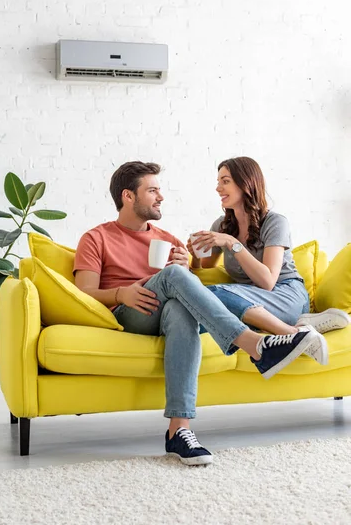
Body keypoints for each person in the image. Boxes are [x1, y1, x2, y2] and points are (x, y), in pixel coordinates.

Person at [74, 161, 326, 467]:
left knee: (181, 307)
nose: (161, 197)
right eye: (152, 190)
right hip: (130, 313)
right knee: (175, 280)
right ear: (128, 197)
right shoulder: (96, 237)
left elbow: (194, 277)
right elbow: (84, 292)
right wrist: (120, 293)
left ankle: (178, 431)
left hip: (166, 315)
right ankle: (256, 346)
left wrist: (187, 263)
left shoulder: (168, 240)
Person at [187, 156, 350, 364]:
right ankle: (300, 329)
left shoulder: (274, 222)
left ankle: (294, 328)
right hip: (250, 303)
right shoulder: (222, 224)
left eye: (225, 181)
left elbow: (268, 281)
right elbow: (208, 266)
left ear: (245, 183)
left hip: (285, 295)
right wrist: (195, 256)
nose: (218, 188)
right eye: (218, 181)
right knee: (195, 308)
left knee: (212, 294)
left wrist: (232, 243)